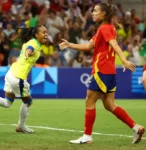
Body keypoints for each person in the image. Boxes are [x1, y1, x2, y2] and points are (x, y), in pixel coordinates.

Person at [59, 3, 145, 144]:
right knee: (110, 104)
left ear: (103, 14)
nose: (92, 13)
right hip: (109, 71)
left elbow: (114, 45)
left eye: (95, 11)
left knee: (89, 101)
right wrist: (69, 45)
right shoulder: (104, 29)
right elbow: (87, 46)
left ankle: (87, 136)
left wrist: (124, 60)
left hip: (102, 70)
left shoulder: (105, 28)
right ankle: (135, 127)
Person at [0, 25, 48, 133]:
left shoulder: (35, 43)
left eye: (46, 32)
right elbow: (29, 49)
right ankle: (21, 126)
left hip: (11, 73)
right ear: (36, 34)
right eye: (43, 32)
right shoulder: (33, 44)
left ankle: (21, 125)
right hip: (18, 77)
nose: (46, 34)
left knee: (7, 103)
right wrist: (28, 52)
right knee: (28, 101)